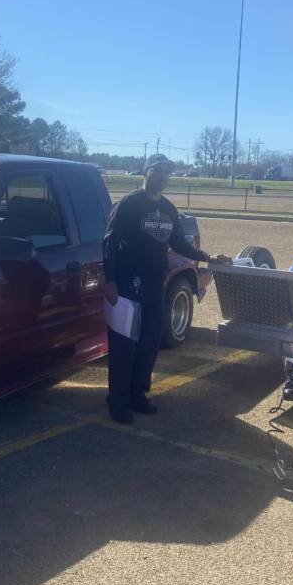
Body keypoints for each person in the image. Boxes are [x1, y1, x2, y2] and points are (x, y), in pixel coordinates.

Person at [103, 154, 232, 424]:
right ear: (146, 172)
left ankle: (138, 395)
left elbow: (180, 244)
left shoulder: (169, 209)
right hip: (127, 286)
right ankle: (117, 401)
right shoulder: (128, 205)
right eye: (159, 170)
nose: (163, 177)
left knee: (149, 343)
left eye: (167, 173)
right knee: (124, 345)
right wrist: (110, 281)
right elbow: (110, 242)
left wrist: (208, 257)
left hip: (154, 285)